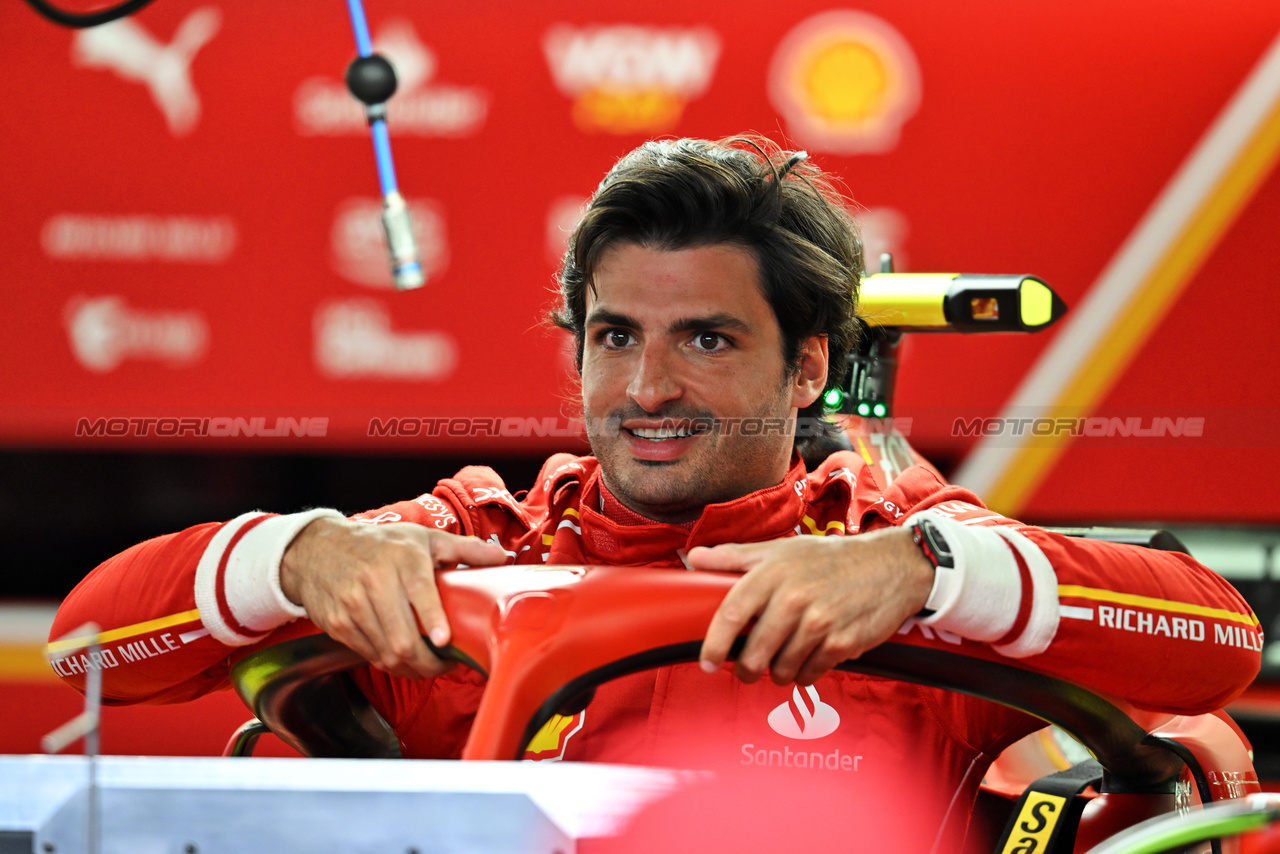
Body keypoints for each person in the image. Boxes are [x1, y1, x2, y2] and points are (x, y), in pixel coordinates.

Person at [50, 136, 1260, 850]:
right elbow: (84, 652)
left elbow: (1213, 640)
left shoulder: (890, 546)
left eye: (707, 341)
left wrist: (923, 574)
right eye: (614, 333)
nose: (647, 385)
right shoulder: (472, 539)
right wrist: (293, 553)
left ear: (805, 365)